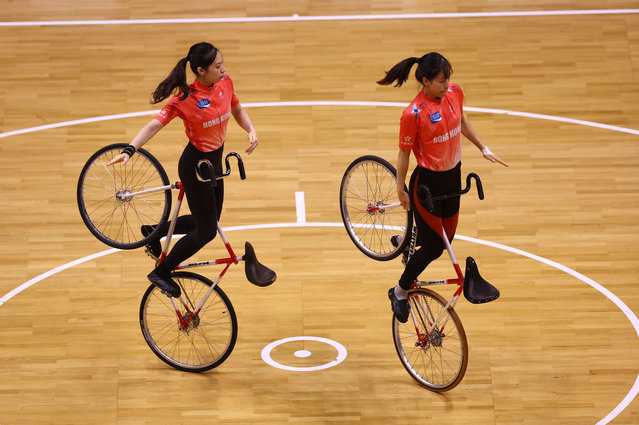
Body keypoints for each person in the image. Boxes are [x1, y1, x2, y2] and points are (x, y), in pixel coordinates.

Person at [107, 42, 259, 298]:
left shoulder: (226, 83)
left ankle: (152, 232)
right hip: (195, 166)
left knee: (210, 220)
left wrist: (250, 129)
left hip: (215, 163)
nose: (223, 70)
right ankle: (161, 272)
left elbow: (237, 108)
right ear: (201, 71)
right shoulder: (184, 100)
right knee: (207, 231)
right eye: (218, 66)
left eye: (222, 64)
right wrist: (129, 150)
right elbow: (154, 125)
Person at [377, 52, 508, 323]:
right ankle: (400, 291)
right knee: (435, 248)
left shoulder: (455, 93)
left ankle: (406, 240)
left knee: (448, 234)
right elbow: (404, 154)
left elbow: (462, 121)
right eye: (440, 80)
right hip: (427, 184)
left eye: (448, 78)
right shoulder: (413, 114)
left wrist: (483, 148)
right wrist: (400, 188)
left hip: (453, 178)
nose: (447, 84)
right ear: (425, 81)